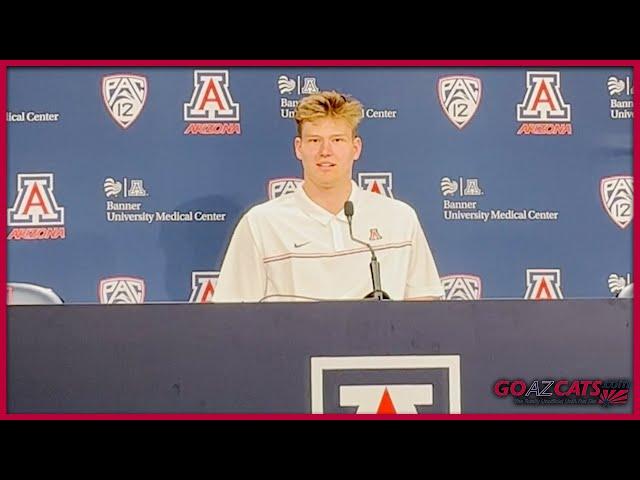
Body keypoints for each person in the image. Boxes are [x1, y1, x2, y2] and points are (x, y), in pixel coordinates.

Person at [212, 90, 444, 302]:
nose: (325, 151)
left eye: (337, 140)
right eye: (315, 140)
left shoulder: (399, 218)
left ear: (356, 148)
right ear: (298, 148)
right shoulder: (261, 223)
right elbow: (231, 316)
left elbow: (424, 307)